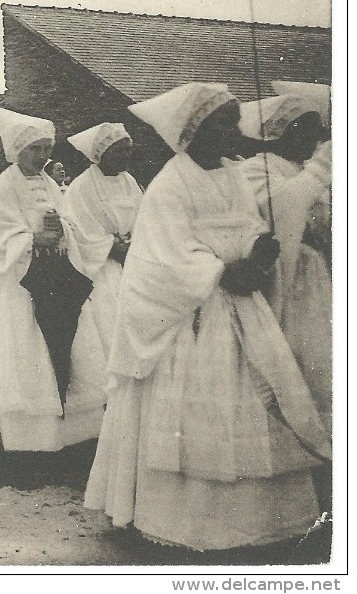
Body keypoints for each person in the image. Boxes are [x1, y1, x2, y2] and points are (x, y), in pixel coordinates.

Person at [83, 82, 330, 551]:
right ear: (193, 131)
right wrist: (220, 270)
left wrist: (258, 250)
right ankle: (191, 523)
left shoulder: (235, 175)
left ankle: (261, 521)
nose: (233, 132)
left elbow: (249, 224)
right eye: (223, 123)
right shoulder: (170, 185)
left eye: (234, 121)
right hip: (194, 315)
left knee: (260, 400)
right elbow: (162, 256)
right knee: (199, 411)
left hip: (242, 307)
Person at [0, 109, 103, 453]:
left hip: (51, 276)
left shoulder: (50, 185)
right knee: (23, 354)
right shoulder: (4, 186)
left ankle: (63, 435)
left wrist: (62, 230)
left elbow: (71, 223)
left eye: (46, 149)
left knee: (63, 344)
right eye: (34, 150)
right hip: (16, 283)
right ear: (17, 151)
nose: (41, 157)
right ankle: (20, 439)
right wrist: (30, 240)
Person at [237, 91, 333, 512]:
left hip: (313, 276)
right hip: (281, 281)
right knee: (289, 362)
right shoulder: (256, 171)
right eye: (307, 130)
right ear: (282, 132)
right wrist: (317, 174)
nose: (315, 138)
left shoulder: (300, 170)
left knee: (320, 363)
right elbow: (282, 210)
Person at [64, 122, 143, 358]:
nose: (126, 156)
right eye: (120, 150)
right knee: (108, 320)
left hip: (131, 258)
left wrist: (134, 242)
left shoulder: (129, 182)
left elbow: (143, 215)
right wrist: (111, 246)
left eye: (129, 149)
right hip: (101, 265)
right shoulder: (82, 186)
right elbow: (78, 225)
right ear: (102, 153)